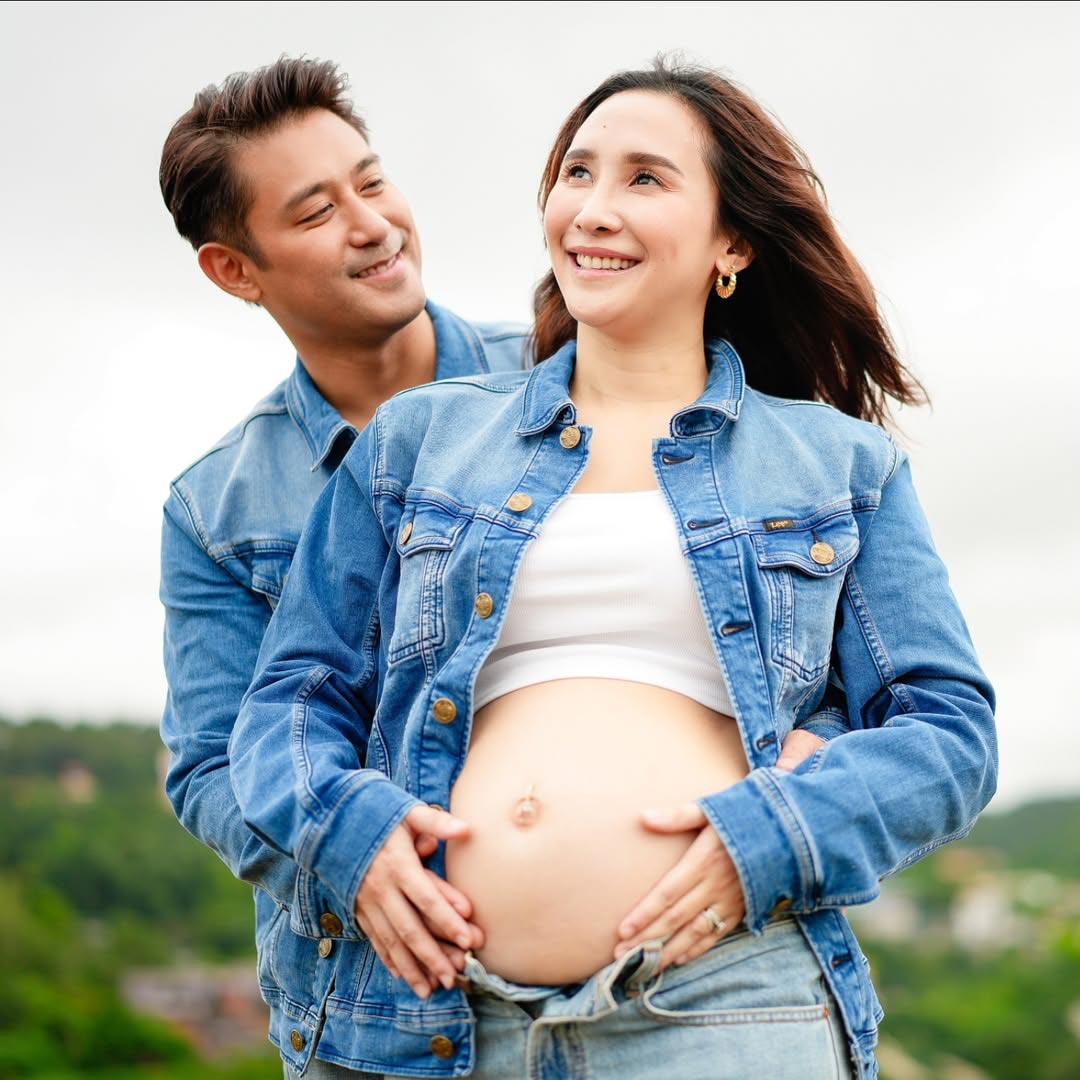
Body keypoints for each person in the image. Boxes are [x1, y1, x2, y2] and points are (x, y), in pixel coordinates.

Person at [229, 58, 997, 1079]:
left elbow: (950, 730)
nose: (593, 208)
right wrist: (347, 834)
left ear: (732, 243)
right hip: (419, 1020)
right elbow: (294, 693)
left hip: (718, 1002)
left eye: (645, 178)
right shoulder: (418, 442)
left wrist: (772, 834)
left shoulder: (841, 464)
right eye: (577, 172)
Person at [156, 56, 530, 1075]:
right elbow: (207, 769)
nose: (372, 224)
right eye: (316, 211)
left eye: (371, 182)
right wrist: (344, 851)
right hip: (369, 1026)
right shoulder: (215, 509)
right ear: (237, 269)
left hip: (625, 992)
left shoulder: (566, 376)